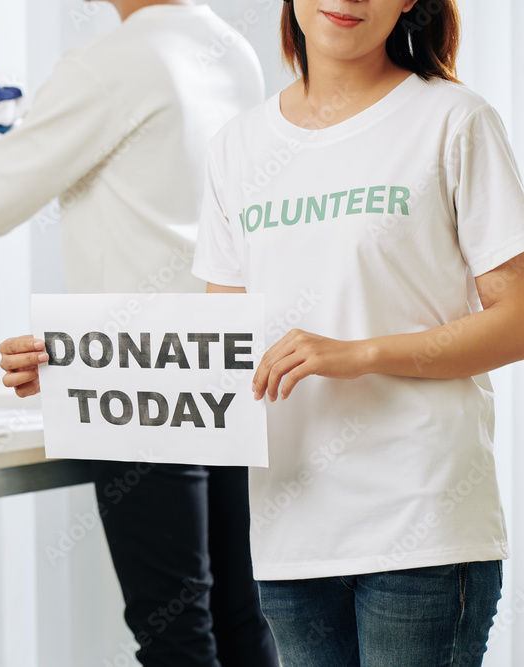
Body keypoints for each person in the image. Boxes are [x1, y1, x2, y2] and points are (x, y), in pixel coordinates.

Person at [0, 1, 278, 664]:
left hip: (135, 371)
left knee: (175, 630)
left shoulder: (111, 63)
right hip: (223, 354)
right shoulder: (233, 48)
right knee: (240, 615)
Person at [181, 0, 521, 664]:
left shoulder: (453, 120)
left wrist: (361, 353)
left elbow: (517, 319)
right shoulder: (238, 147)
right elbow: (220, 346)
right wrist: (69, 366)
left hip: (421, 523)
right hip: (291, 532)